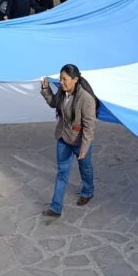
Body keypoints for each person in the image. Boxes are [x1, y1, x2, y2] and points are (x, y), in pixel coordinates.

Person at [40, 64, 98, 217]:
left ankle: (88, 191)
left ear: (75, 79)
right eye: (60, 79)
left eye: (64, 79)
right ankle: (55, 207)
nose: (61, 82)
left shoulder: (86, 99)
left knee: (85, 169)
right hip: (63, 138)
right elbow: (54, 104)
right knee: (62, 172)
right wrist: (46, 90)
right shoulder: (62, 91)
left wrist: (84, 149)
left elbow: (89, 127)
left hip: (80, 143)